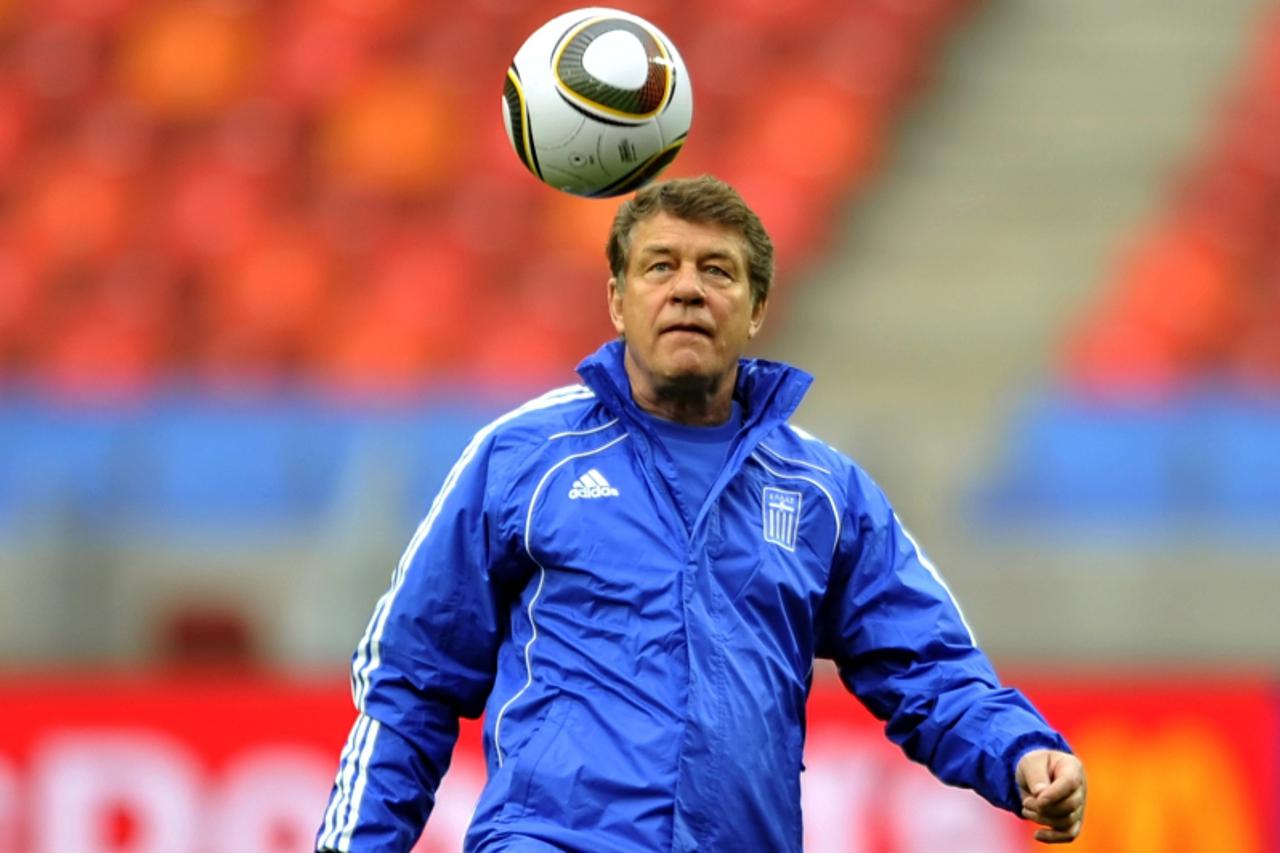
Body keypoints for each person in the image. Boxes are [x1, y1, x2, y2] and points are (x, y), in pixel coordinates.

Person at [315, 175, 1086, 852]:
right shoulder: (524, 459)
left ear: (756, 310)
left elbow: (928, 665)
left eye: (717, 270)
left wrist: (1019, 750)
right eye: (661, 266)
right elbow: (410, 682)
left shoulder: (822, 492)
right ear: (617, 302)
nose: (687, 289)